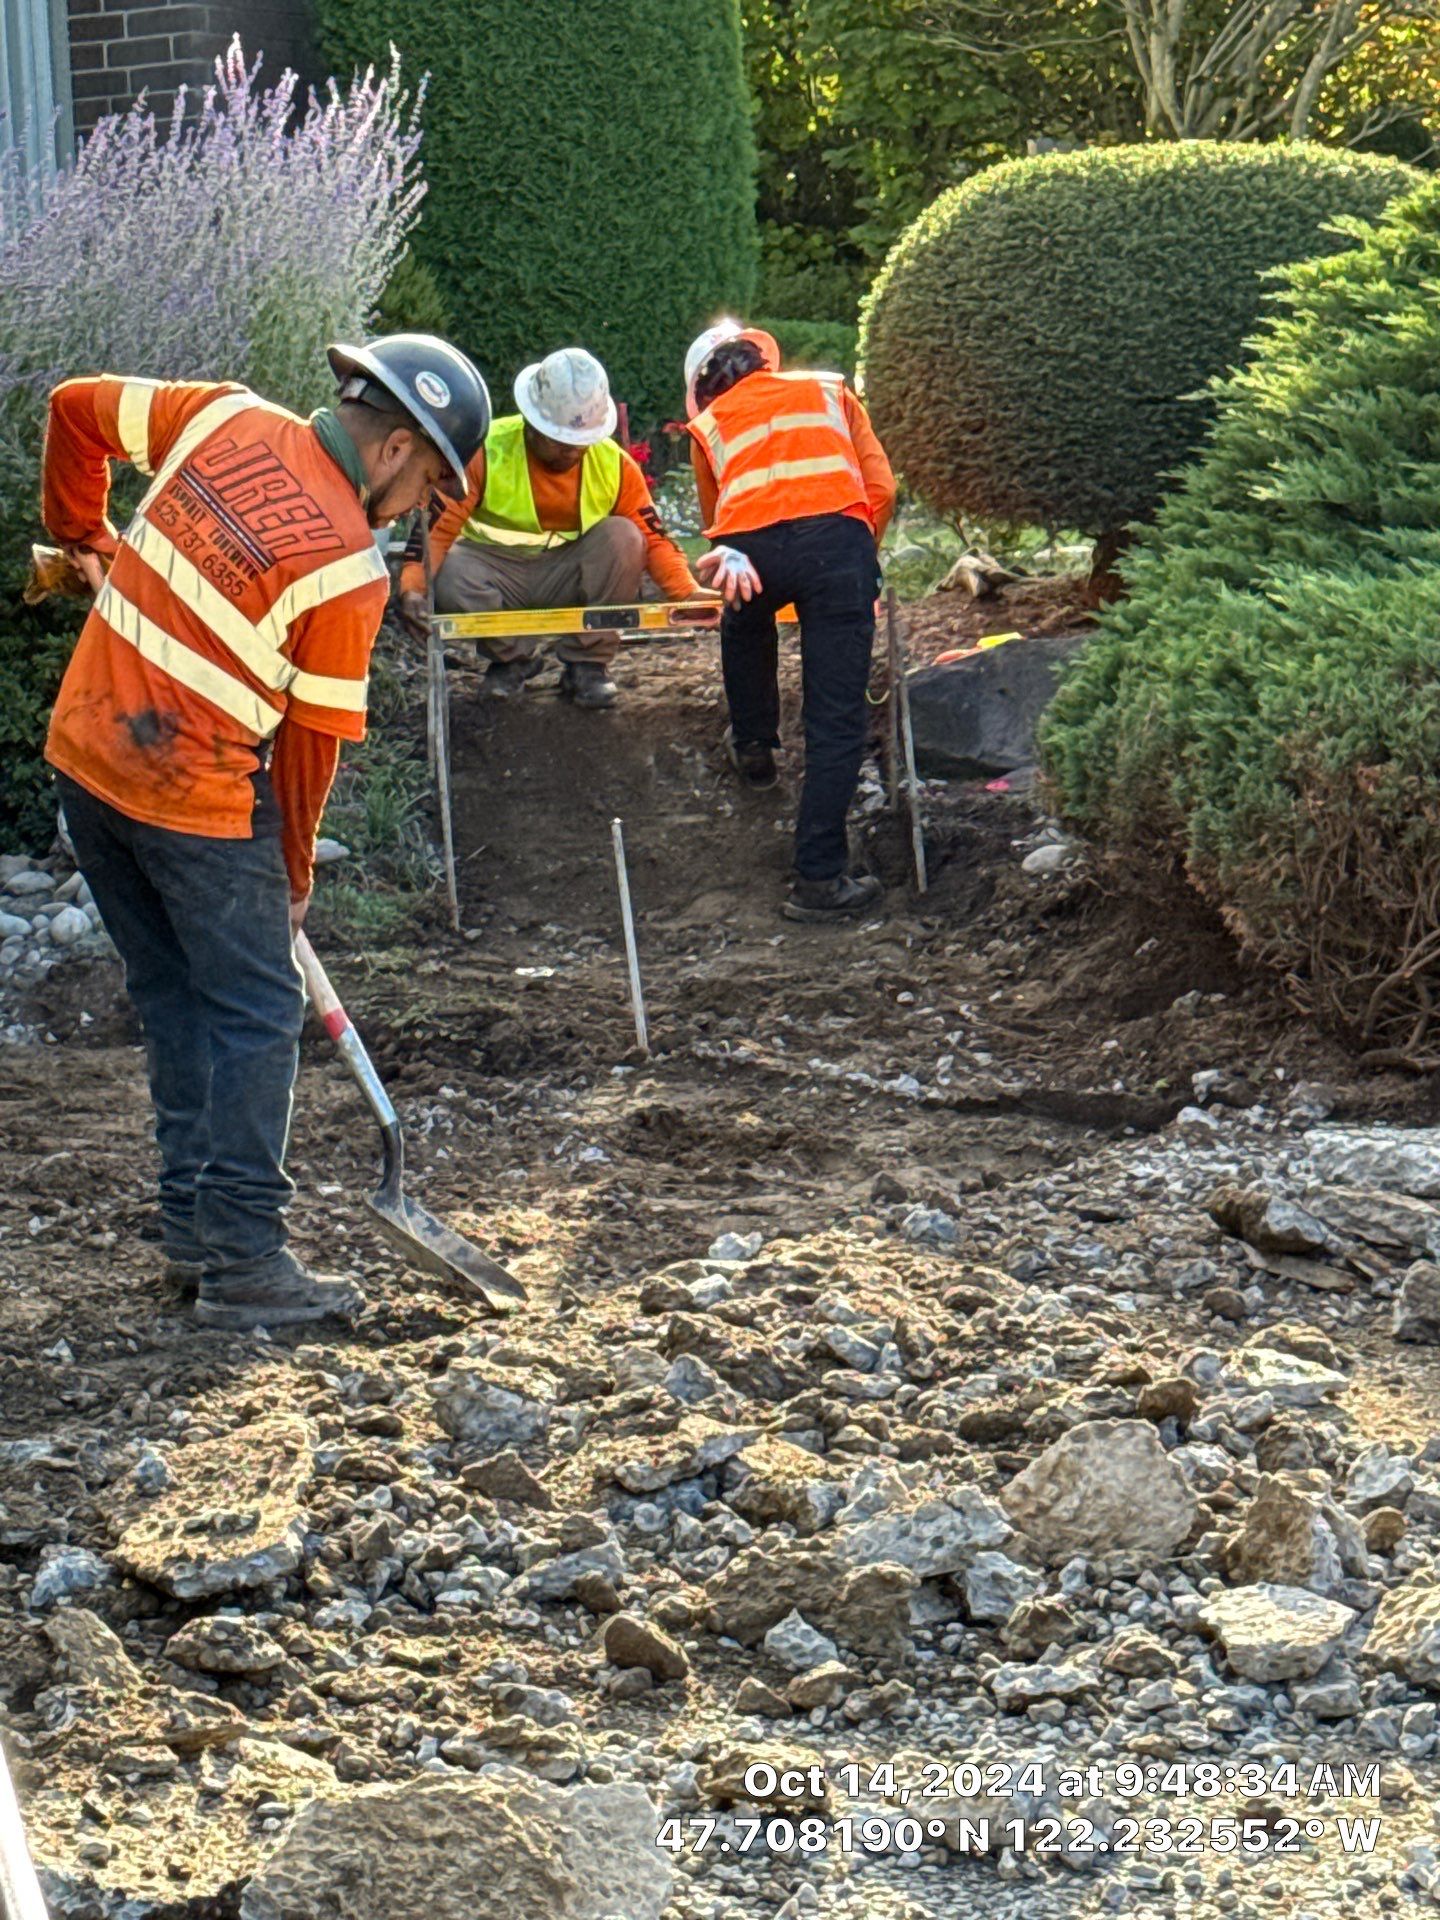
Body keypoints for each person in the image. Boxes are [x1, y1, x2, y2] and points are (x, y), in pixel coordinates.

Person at [41, 334, 491, 1330]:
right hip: (190, 797)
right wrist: (291, 883)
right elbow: (306, 758)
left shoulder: (221, 415)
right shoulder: (346, 571)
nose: (417, 509)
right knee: (254, 1008)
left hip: (86, 761)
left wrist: (79, 528)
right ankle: (244, 1257)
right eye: (429, 484)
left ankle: (192, 1231)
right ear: (395, 448)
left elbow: (73, 406)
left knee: (176, 998)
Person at [686, 327, 898, 922]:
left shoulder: (708, 426)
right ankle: (819, 879)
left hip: (750, 550)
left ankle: (754, 745)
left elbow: (715, 523)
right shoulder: (829, 390)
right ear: (767, 364)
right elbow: (881, 488)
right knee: (836, 718)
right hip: (837, 542)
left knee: (744, 616)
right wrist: (857, 557)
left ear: (705, 392)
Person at [398, 347, 700, 709]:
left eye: (580, 444)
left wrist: (688, 593)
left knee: (625, 537)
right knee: (449, 570)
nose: (570, 452)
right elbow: (436, 527)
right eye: (558, 441)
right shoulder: (486, 451)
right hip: (496, 575)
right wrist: (412, 589)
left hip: (567, 575)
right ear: (530, 423)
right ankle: (513, 659)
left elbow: (654, 537)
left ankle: (587, 664)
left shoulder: (614, 466)